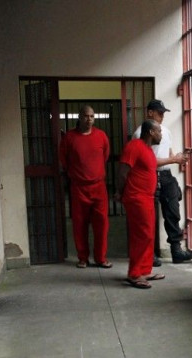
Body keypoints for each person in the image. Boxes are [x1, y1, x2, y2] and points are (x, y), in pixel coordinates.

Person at [133, 99, 192, 264]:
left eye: (163, 113)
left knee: (173, 213)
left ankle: (176, 251)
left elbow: (168, 152)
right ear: (150, 113)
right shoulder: (140, 134)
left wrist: (177, 158)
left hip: (166, 176)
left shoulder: (165, 131)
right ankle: (149, 254)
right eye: (159, 113)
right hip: (149, 176)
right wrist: (173, 159)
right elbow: (148, 161)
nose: (162, 116)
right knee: (147, 218)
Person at [59, 105, 113, 269]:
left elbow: (105, 156)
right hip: (79, 187)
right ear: (79, 117)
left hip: (98, 186)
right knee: (79, 223)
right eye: (85, 116)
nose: (88, 119)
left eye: (91, 116)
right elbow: (64, 160)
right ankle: (83, 258)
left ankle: (101, 258)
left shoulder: (101, 136)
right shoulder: (69, 138)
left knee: (101, 224)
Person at [116, 119, 166, 289]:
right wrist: (119, 192)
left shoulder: (148, 150)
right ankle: (134, 274)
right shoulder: (134, 146)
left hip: (147, 197)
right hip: (136, 198)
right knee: (141, 235)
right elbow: (123, 172)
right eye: (159, 130)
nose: (161, 134)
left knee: (149, 234)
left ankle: (145, 270)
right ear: (151, 132)